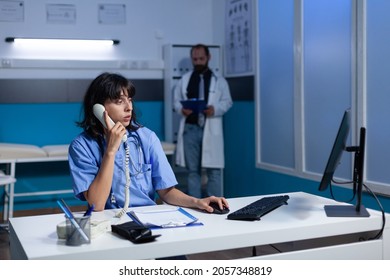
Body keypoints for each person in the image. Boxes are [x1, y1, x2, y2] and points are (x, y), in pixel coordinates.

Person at [68, 72, 228, 216]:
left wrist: (197, 202)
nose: (128, 107)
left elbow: (166, 192)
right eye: (119, 101)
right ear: (98, 108)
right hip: (106, 222)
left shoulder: (146, 137)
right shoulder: (81, 146)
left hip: (147, 219)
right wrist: (110, 151)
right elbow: (96, 205)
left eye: (129, 100)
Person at [173, 44, 233, 198]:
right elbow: (176, 102)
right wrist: (181, 109)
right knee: (193, 171)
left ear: (208, 58)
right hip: (190, 129)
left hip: (210, 127)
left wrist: (215, 109)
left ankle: (217, 204)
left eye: (201, 58)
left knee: (214, 170)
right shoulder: (184, 80)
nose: (198, 62)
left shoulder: (219, 81)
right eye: (195, 59)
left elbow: (227, 102)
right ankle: (195, 204)